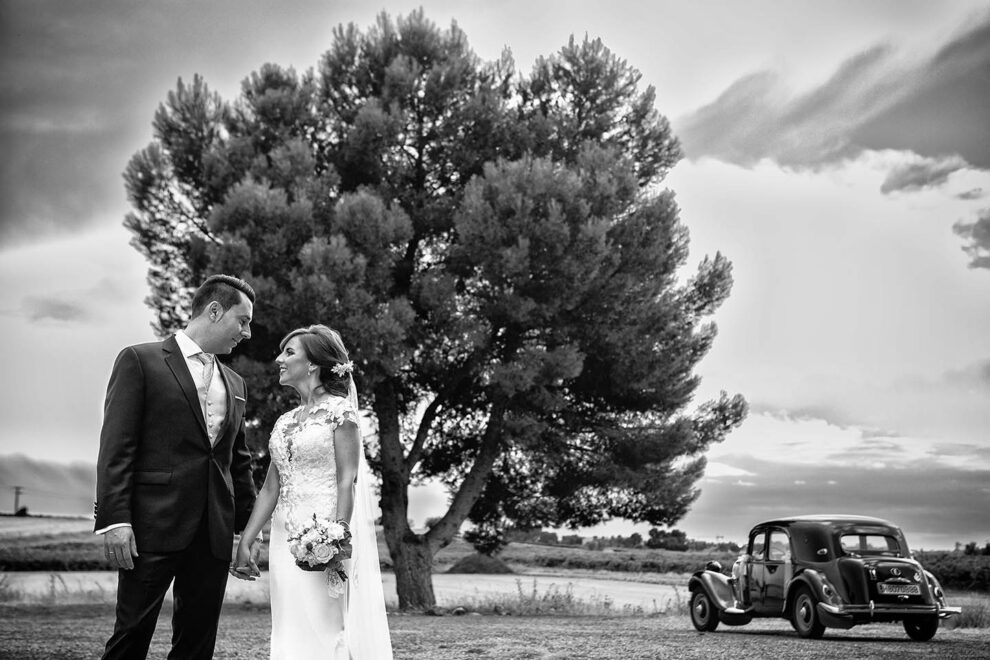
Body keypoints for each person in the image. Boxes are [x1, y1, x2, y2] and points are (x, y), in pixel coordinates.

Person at [94, 274, 260, 660]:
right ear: (215, 310)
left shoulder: (236, 383)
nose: (247, 333)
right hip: (153, 525)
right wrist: (116, 520)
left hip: (213, 533)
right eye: (243, 320)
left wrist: (248, 531)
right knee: (131, 634)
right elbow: (117, 446)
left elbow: (238, 461)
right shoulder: (140, 360)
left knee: (197, 643)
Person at [231, 324, 392, 659]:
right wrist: (247, 538)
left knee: (326, 628)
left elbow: (348, 480)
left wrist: (336, 539)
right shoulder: (285, 421)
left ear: (313, 364)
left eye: (289, 352)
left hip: (324, 536)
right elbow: (270, 488)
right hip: (283, 537)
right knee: (289, 628)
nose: (278, 359)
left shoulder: (340, 412)